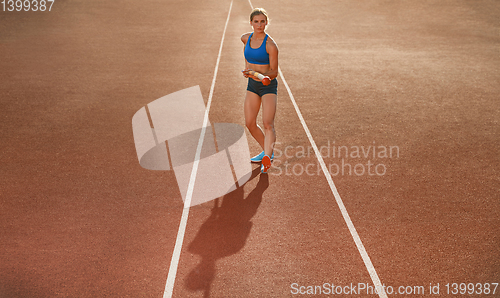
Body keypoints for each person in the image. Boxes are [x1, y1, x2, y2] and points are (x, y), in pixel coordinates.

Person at [241, 8, 279, 174]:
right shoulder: (245, 38)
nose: (259, 24)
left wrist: (264, 76)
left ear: (266, 23)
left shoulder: (271, 45)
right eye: (256, 21)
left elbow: (274, 71)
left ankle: (268, 157)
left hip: (268, 86)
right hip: (252, 85)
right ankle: (266, 151)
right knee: (249, 123)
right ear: (251, 23)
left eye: (262, 21)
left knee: (268, 124)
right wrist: (247, 70)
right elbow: (248, 57)